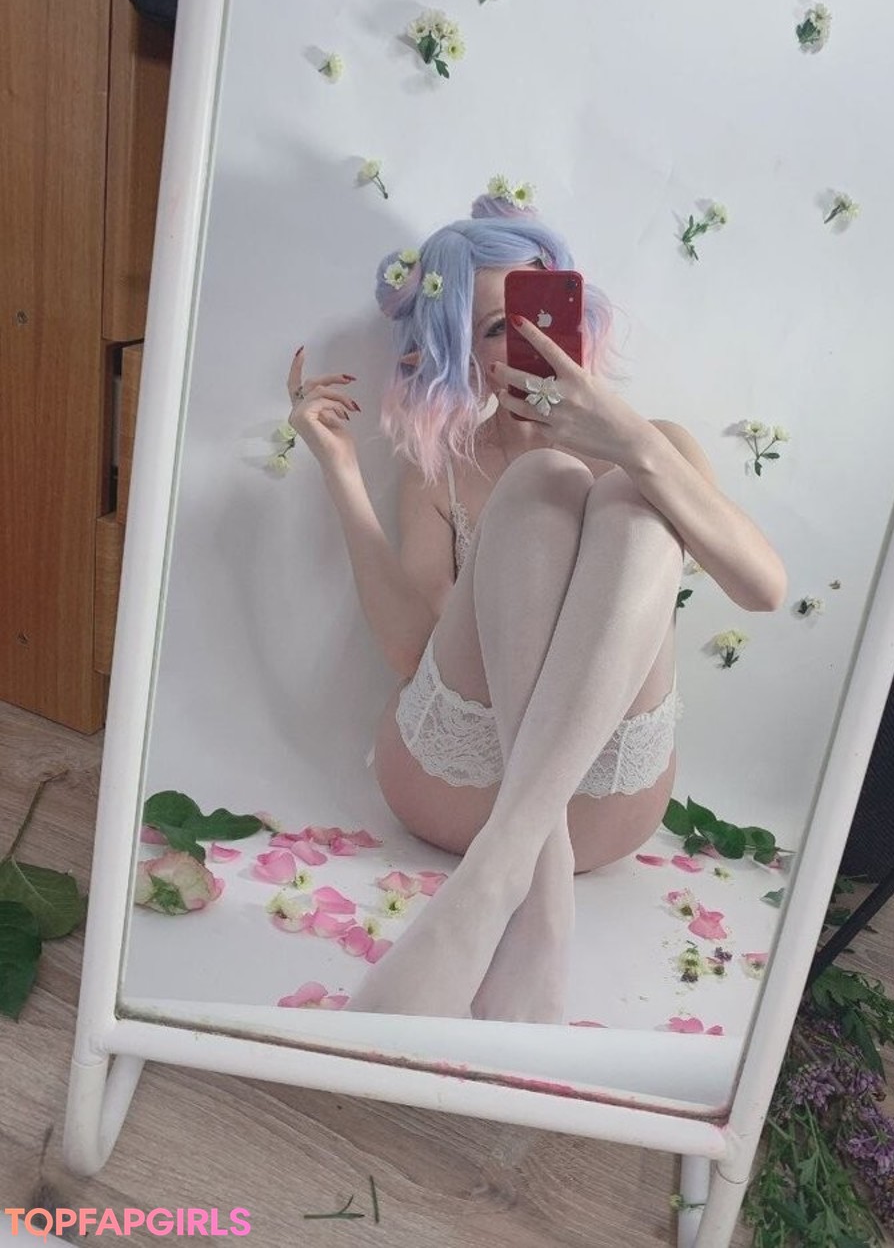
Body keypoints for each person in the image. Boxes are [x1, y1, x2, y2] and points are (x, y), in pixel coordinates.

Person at [286, 193, 786, 1023]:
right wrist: (341, 472)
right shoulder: (444, 468)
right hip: (455, 782)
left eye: (543, 311)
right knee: (543, 482)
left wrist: (631, 443)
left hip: (606, 803)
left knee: (632, 494)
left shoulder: (655, 443)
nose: (531, 340)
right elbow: (413, 651)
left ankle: (497, 879)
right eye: (497, 327)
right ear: (464, 352)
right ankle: (538, 901)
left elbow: (762, 586)